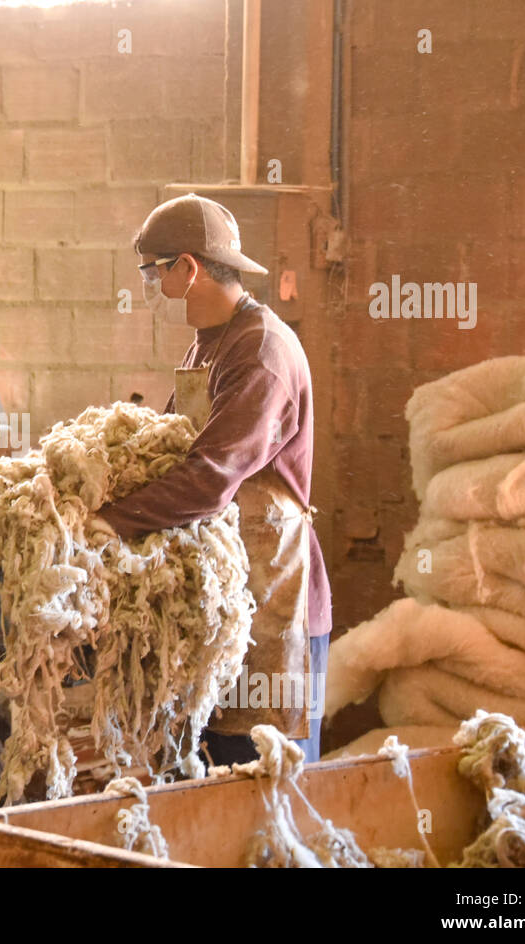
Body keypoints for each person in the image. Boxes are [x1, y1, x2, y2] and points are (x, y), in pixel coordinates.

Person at [94, 193, 332, 764]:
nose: (151, 287)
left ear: (188, 268)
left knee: (264, 793)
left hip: (270, 597)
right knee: (205, 782)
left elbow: (208, 478)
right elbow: (174, 448)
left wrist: (108, 521)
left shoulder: (261, 351)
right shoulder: (212, 341)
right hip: (229, 592)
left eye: (154, 273)